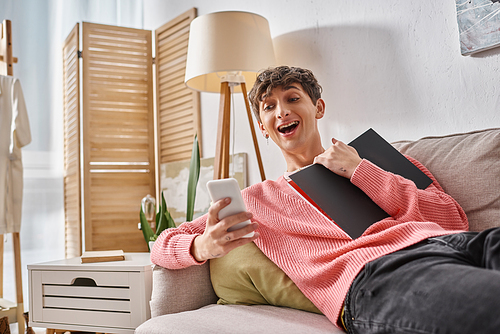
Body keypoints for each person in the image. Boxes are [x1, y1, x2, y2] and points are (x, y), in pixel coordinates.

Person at [151, 66, 500, 333]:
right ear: (262, 126)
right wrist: (202, 247)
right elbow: (162, 242)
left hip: (458, 243)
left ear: (317, 108)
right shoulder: (257, 198)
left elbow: (453, 219)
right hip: (376, 277)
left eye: (292, 98)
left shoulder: (372, 157)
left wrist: (362, 170)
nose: (281, 112)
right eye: (269, 106)